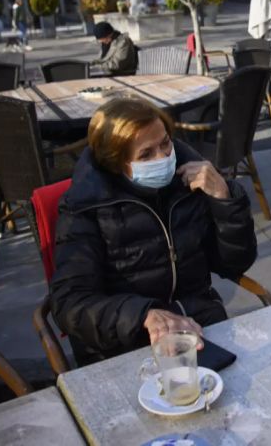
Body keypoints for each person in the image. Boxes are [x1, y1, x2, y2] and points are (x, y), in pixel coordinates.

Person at [50, 98, 258, 365]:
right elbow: (70, 303)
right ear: (116, 163)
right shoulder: (87, 207)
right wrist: (143, 315)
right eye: (146, 154)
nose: (163, 158)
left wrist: (224, 199)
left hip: (199, 327)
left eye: (165, 143)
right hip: (125, 346)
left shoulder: (187, 182)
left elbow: (235, 262)